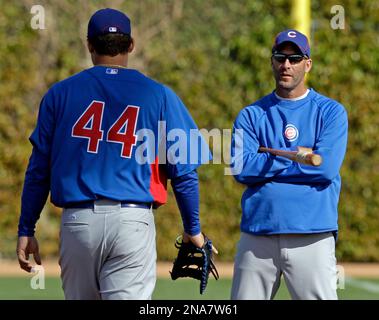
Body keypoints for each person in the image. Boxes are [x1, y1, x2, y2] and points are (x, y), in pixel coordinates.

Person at [16, 8, 211, 300]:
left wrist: (26, 227)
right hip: (132, 222)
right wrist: (193, 229)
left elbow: (38, 171)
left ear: (89, 45)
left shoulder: (59, 94)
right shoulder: (158, 95)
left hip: (78, 223)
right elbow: (184, 174)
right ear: (130, 45)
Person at [230, 29, 348, 300]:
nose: (286, 65)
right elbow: (241, 168)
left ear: (307, 64)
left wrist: (267, 161)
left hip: (312, 234)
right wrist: (292, 155)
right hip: (258, 233)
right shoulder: (251, 115)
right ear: (272, 61)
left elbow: (325, 168)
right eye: (280, 57)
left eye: (294, 58)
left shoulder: (331, 111)